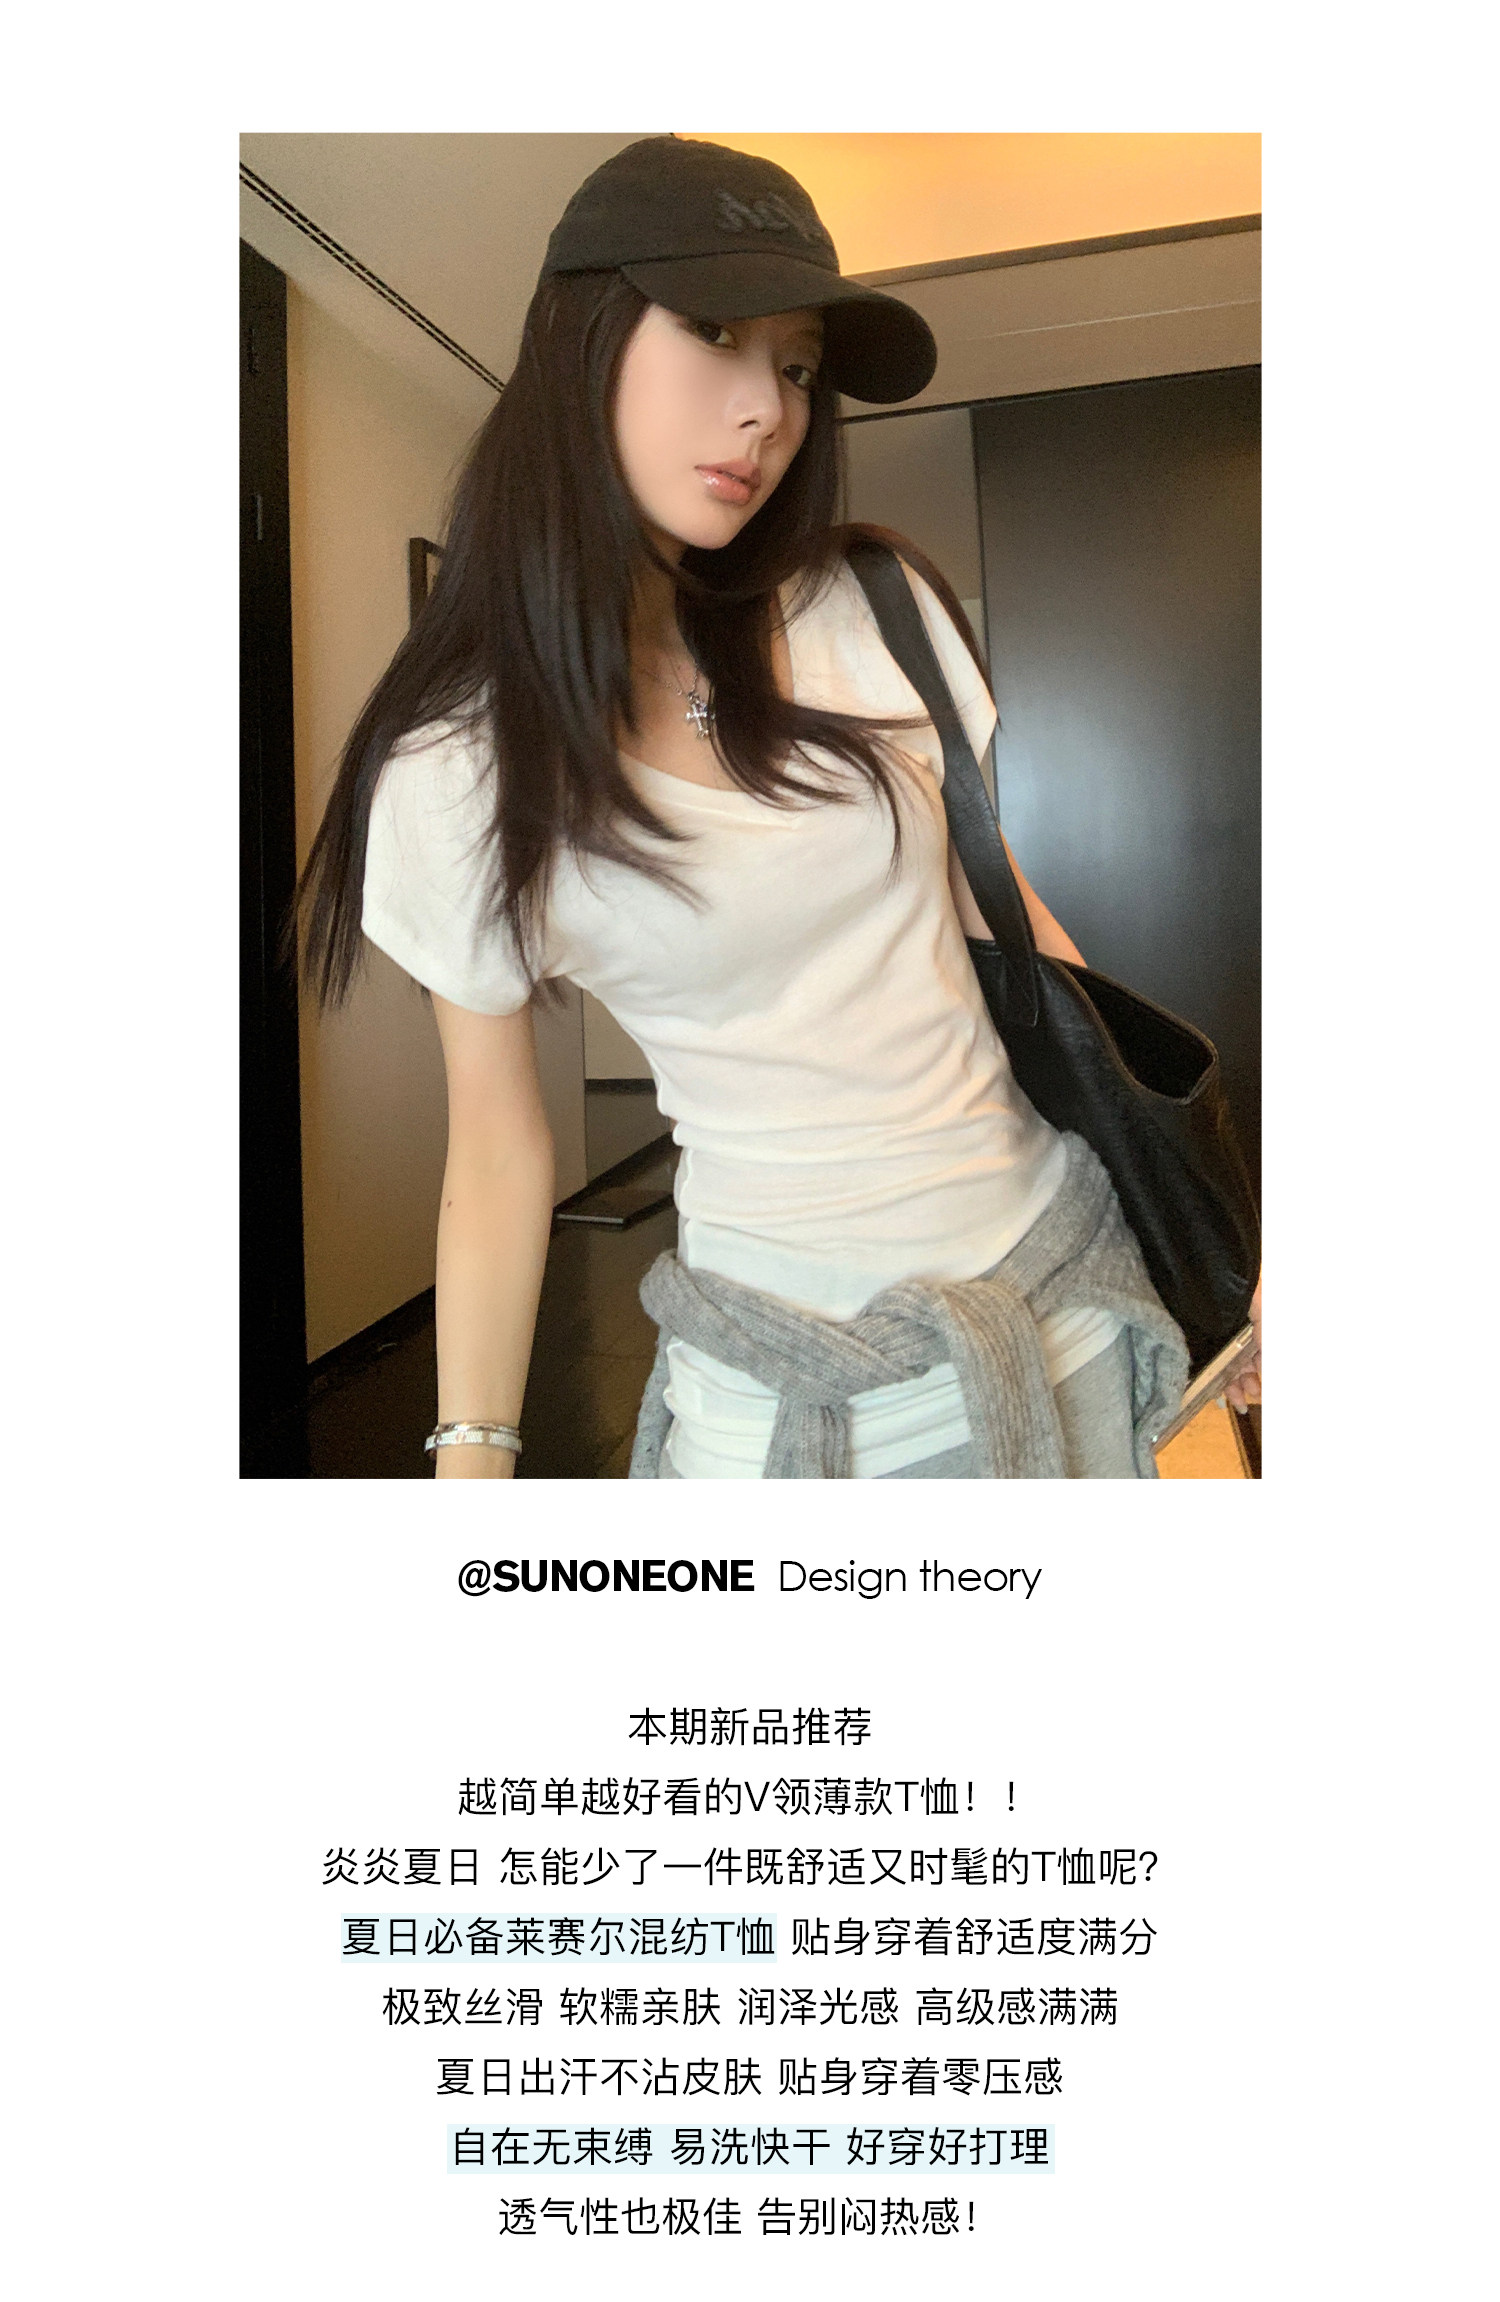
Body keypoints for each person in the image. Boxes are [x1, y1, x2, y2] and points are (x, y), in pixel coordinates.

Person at [295, 135, 1262, 1480]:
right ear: (580, 337)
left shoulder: (874, 606)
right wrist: (473, 1471)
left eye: (798, 366)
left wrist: (1215, 1222)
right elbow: (500, 1149)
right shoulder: (456, 766)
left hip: (1073, 1302)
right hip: (785, 1394)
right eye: (713, 333)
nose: (765, 408)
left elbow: (1014, 922)